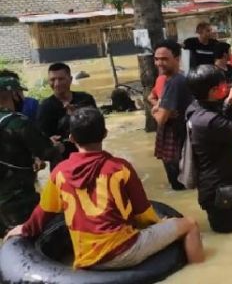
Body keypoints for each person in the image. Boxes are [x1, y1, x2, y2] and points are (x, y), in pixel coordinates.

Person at [4, 107, 205, 268]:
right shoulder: (120, 168)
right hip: (124, 251)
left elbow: (44, 212)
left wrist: (25, 228)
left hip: (85, 258)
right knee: (190, 224)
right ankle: (200, 273)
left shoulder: (59, 173)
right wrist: (161, 222)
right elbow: (144, 213)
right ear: (105, 133)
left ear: (72, 138)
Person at [186, 66, 232, 233]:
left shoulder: (195, 108)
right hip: (219, 190)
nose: (226, 88)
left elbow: (215, 127)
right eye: (223, 85)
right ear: (213, 91)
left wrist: (226, 103)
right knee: (228, 234)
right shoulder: (209, 121)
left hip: (228, 183)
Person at [0, 76, 62, 237]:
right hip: (17, 201)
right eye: (20, 93)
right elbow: (48, 153)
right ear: (14, 95)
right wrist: (55, 146)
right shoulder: (18, 122)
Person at [37, 62, 97, 168]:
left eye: (61, 79)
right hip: (62, 164)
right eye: (52, 80)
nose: (56, 84)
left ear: (70, 79)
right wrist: (49, 143)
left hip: (88, 159)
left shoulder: (85, 99)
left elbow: (98, 128)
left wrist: (77, 116)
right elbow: (41, 138)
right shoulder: (45, 107)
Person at [152, 40, 192, 191]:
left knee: (178, 185)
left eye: (164, 59)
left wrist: (155, 111)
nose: (159, 63)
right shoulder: (174, 79)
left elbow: (161, 118)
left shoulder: (174, 82)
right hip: (179, 138)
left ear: (177, 59)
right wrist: (160, 107)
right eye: (156, 59)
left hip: (176, 139)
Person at [214, 42, 232, 124]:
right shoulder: (214, 71)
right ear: (224, 54)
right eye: (230, 51)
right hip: (224, 105)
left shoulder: (231, 68)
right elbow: (220, 87)